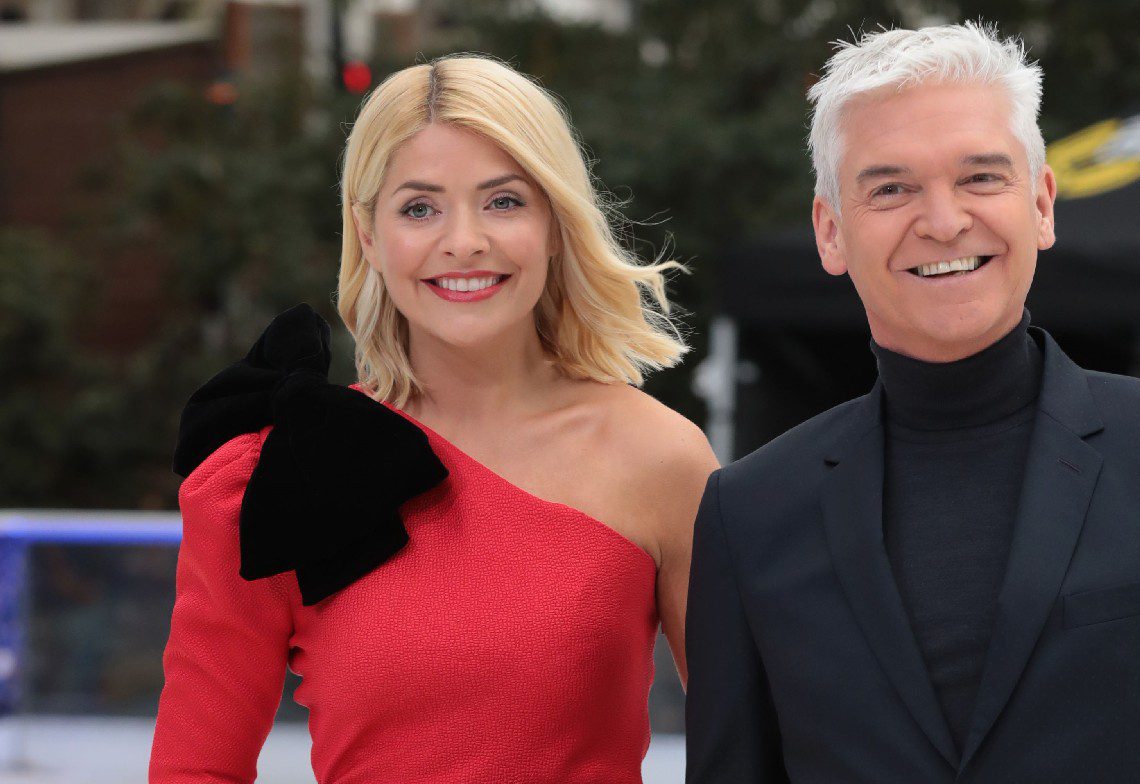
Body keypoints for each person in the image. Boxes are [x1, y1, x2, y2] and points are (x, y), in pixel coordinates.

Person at [684, 22, 1140, 783]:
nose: (944, 220)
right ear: (830, 232)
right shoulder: (749, 511)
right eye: (892, 188)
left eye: (981, 178)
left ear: (1042, 204)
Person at [150, 55, 718, 782]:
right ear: (367, 233)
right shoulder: (277, 473)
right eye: (420, 208)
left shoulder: (661, 459)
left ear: (554, 222)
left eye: (504, 201)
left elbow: (750, 746)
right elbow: (195, 770)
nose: (464, 242)